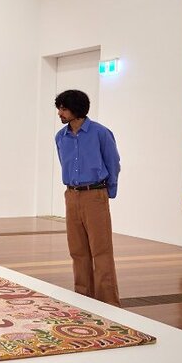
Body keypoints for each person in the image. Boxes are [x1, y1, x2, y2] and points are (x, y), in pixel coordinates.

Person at [54, 89, 121, 306]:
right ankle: (82, 298)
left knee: (101, 250)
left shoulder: (101, 133)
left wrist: (107, 193)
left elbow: (113, 164)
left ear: (77, 109)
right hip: (71, 196)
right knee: (77, 250)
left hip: (95, 195)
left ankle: (108, 302)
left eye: (64, 108)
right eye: (59, 108)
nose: (60, 113)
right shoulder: (60, 137)